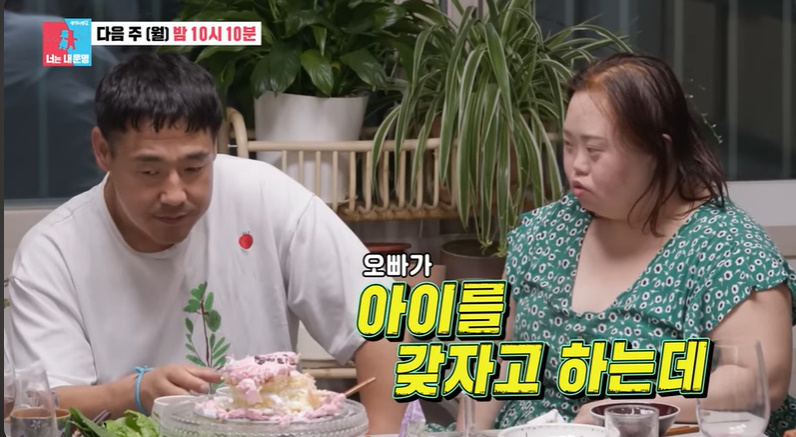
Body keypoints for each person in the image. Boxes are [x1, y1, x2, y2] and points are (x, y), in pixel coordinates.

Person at [6, 52, 406, 434]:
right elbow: (39, 405)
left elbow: (386, 324)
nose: (175, 194)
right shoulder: (54, 253)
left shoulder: (265, 196)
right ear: (103, 151)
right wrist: (135, 393)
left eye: (194, 167)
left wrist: (382, 432)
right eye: (149, 171)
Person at [456, 53, 796, 436]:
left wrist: (629, 409)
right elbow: (498, 360)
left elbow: (759, 379)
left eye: (594, 150)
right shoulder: (543, 231)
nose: (576, 165)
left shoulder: (728, 247)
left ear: (658, 152)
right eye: (568, 145)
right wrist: (472, 431)